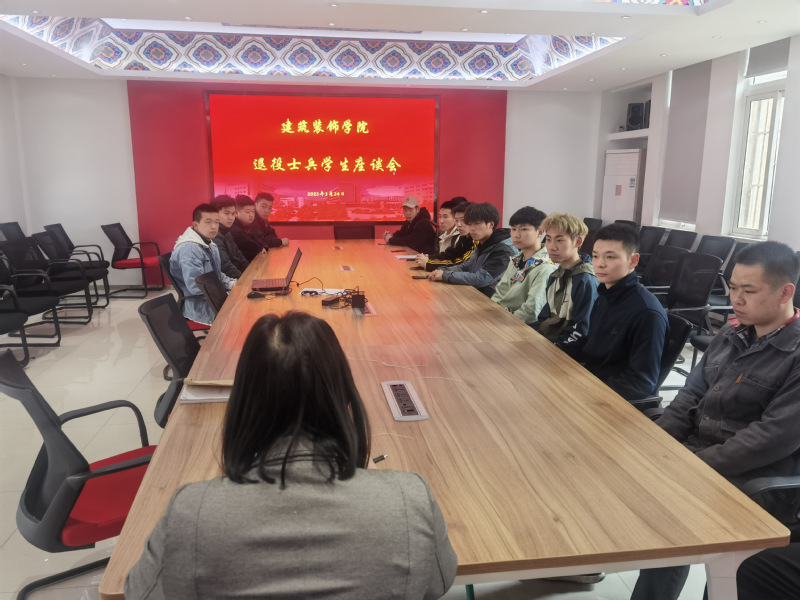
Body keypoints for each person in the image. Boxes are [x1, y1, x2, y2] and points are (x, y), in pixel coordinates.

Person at [125, 311, 458, 600]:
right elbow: (437, 583)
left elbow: (139, 592)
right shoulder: (410, 499)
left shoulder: (190, 512)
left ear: (243, 400)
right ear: (343, 395)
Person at [632, 241, 800, 600]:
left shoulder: (795, 353)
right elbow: (690, 395)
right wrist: (657, 445)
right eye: (733, 287)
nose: (736, 299)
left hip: (757, 475)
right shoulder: (730, 333)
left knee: (672, 507)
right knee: (634, 472)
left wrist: (691, 466)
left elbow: (771, 438)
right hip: (702, 453)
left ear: (785, 292)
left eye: (748, 291)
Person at [562, 223, 667, 401]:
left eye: (610, 257)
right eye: (595, 256)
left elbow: (640, 382)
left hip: (607, 399)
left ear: (633, 261)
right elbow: (589, 343)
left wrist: (585, 393)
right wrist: (553, 351)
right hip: (589, 380)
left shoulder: (647, 313)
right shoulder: (605, 294)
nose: (600, 264)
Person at [533, 212, 598, 351]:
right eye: (548, 239)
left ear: (578, 242)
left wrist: (553, 348)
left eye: (559, 240)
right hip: (547, 342)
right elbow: (544, 318)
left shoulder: (585, 280)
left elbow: (581, 331)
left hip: (567, 351)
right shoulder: (556, 275)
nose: (551, 247)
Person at [169, 203, 236, 326]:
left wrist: (232, 284)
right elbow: (196, 287)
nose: (214, 226)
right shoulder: (189, 249)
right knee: (244, 312)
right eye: (208, 222)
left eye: (216, 222)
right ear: (196, 225)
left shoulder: (209, 244)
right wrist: (226, 294)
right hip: (201, 306)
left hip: (213, 299)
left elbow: (216, 274)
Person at [429, 202, 515, 297]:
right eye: (470, 224)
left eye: (477, 223)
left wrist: (445, 275)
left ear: (491, 224)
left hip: (492, 301)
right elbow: (467, 266)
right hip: (475, 294)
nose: (472, 229)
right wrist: (443, 270)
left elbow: (481, 278)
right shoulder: (483, 243)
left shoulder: (503, 250)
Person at [491, 206, 557, 324]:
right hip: (500, 318)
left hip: (520, 326)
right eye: (513, 229)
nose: (516, 235)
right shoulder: (516, 260)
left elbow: (531, 311)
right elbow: (500, 291)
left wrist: (501, 321)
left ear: (540, 232)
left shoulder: (546, 268)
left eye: (524, 229)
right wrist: (492, 312)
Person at [418, 202, 477, 272]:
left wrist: (428, 264)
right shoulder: (464, 236)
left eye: (463, 220)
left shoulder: (475, 239)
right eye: (456, 220)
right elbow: (450, 255)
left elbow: (461, 263)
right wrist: (428, 257)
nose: (459, 224)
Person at [213, 195, 250, 278]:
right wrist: (244, 279)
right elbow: (225, 266)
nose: (230, 218)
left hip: (236, 276)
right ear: (215, 214)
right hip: (227, 280)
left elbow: (239, 255)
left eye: (233, 214)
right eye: (226, 213)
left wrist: (250, 271)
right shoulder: (214, 235)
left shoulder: (227, 232)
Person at [230, 194, 269, 261]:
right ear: (236, 213)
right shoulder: (234, 229)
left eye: (253, 211)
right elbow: (253, 247)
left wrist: (262, 247)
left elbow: (260, 240)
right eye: (248, 212)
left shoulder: (248, 225)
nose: (251, 215)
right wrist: (261, 248)